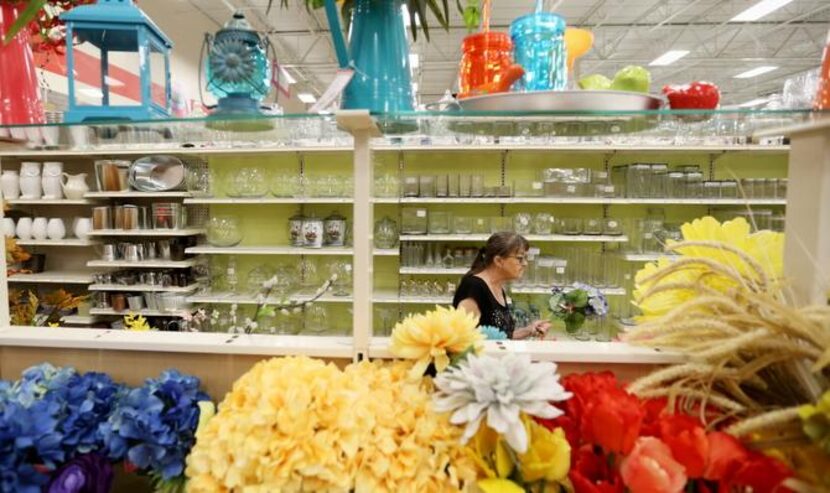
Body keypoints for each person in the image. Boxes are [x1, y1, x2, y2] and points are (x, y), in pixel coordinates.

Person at [452, 232, 551, 340]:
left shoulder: (497, 286)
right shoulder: (474, 287)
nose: (525, 263)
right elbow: (462, 339)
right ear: (498, 261)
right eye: (520, 258)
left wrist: (529, 330)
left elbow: (502, 336)